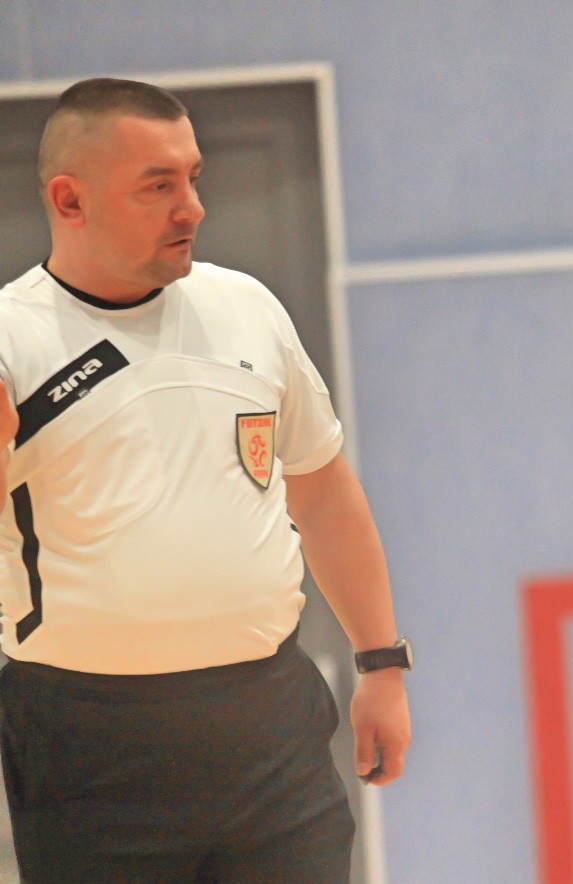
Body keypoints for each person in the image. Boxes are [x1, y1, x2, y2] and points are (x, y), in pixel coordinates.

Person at [0, 77, 412, 882]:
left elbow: (323, 491)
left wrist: (382, 664)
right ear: (69, 200)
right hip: (87, 744)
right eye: (157, 187)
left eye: (193, 178)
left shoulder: (247, 306)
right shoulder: (13, 342)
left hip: (270, 725)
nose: (191, 207)